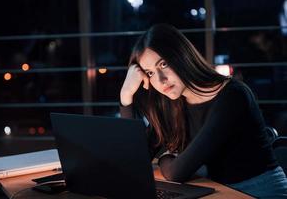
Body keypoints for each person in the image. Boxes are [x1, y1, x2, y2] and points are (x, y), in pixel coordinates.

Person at [119, 24, 287, 198]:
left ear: (182, 56)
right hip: (219, 190)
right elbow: (135, 159)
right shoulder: (174, 101)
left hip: (263, 190)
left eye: (163, 64)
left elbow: (177, 173)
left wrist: (164, 157)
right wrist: (126, 95)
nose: (161, 80)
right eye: (150, 73)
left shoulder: (233, 95)